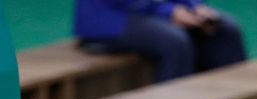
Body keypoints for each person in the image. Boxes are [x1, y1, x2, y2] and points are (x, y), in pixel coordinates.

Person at [73, 0, 247, 82]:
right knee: (175, 41)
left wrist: (194, 6)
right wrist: (169, 12)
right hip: (113, 16)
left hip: (154, 11)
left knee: (225, 29)